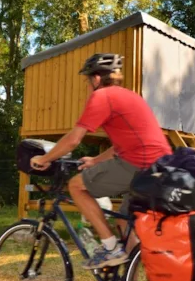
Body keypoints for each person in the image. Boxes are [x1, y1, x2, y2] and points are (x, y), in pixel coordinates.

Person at [30, 53, 172, 269]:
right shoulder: (130, 96)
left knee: (76, 186)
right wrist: (96, 161)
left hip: (140, 165)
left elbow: (73, 140)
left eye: (88, 80)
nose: (89, 86)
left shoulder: (102, 96)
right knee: (125, 223)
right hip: (159, 167)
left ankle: (109, 247)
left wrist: (45, 158)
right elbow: (121, 145)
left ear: (96, 79)